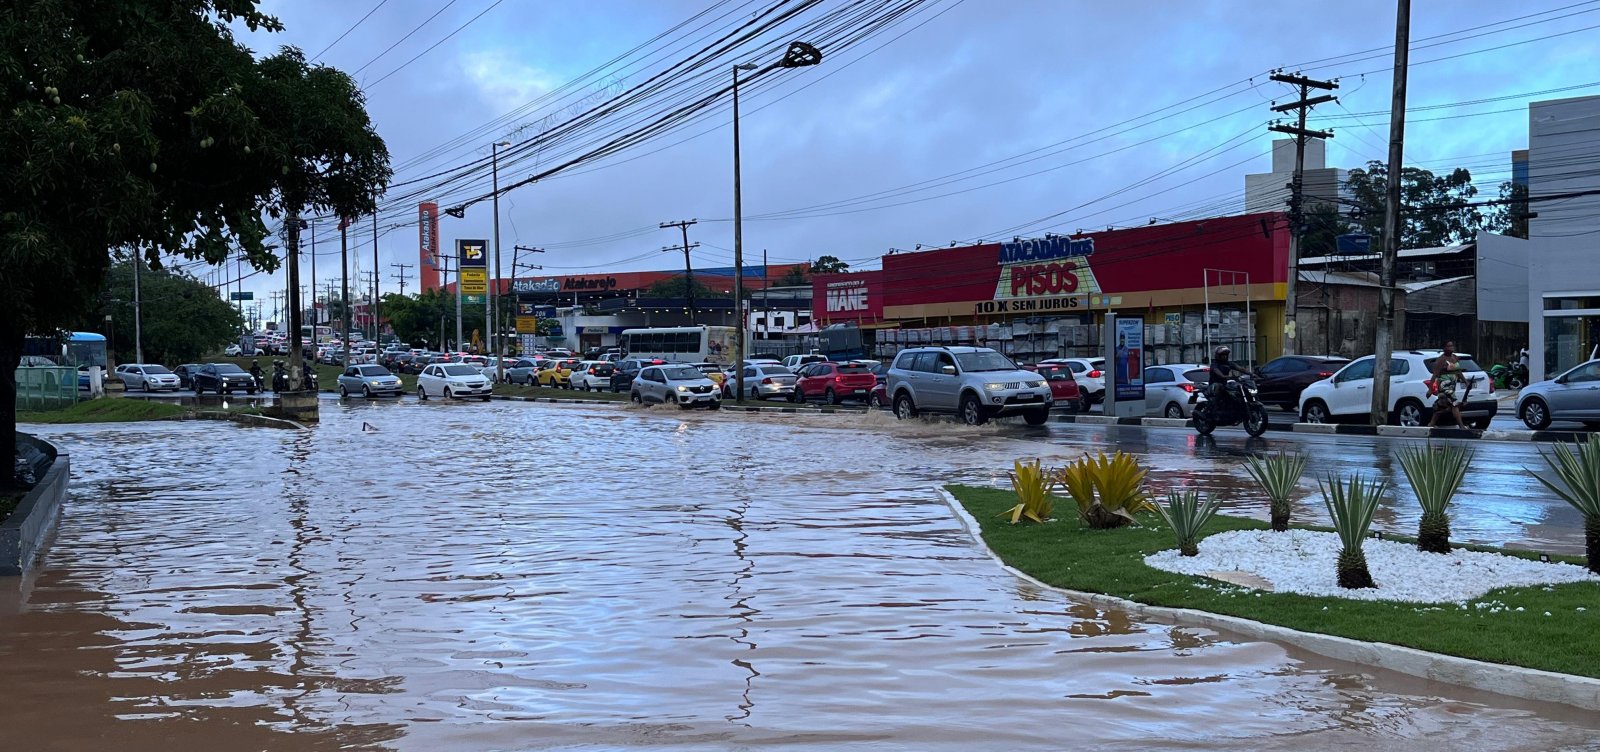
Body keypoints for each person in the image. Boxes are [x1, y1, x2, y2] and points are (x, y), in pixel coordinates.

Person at [1428, 341, 1464, 428]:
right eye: (1449, 346)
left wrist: (1465, 382)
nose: (1451, 347)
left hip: (1452, 386)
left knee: (1443, 406)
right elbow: (1435, 375)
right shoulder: (1441, 360)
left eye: (1452, 345)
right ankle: (1461, 426)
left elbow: (1458, 371)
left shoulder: (1455, 358)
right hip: (1444, 386)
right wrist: (1430, 389)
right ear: (1444, 348)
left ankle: (1431, 424)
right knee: (1454, 405)